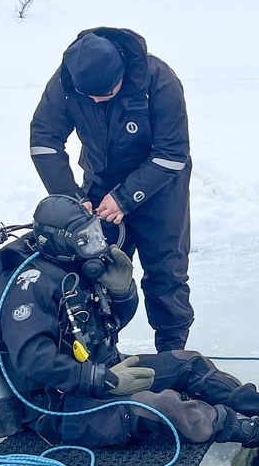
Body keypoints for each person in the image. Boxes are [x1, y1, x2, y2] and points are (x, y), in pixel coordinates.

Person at [0, 196, 259, 466]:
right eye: (84, 238)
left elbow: (108, 324)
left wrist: (122, 292)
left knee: (189, 364)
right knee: (166, 406)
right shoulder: (29, 286)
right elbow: (32, 359)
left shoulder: (75, 267)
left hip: (102, 371)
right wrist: (102, 380)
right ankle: (251, 430)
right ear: (56, 241)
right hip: (56, 404)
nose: (94, 243)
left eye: (94, 232)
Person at [30, 28, 193, 352]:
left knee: (166, 273)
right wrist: (73, 200)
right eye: (88, 95)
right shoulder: (65, 81)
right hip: (97, 184)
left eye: (104, 92)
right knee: (93, 270)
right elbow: (44, 141)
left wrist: (125, 197)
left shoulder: (157, 80)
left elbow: (173, 152)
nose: (95, 100)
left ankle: (174, 355)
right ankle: (101, 355)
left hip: (159, 187)